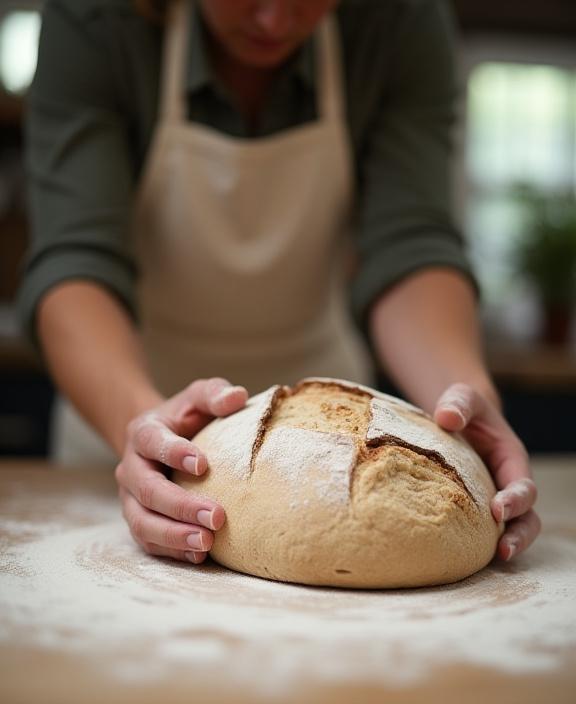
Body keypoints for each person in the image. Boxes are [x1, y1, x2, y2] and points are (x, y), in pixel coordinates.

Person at [19, 0, 540, 566]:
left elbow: (409, 243)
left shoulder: (401, 17)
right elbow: (75, 257)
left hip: (337, 454)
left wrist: (461, 403)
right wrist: (145, 428)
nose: (274, 20)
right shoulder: (96, 16)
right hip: (120, 411)